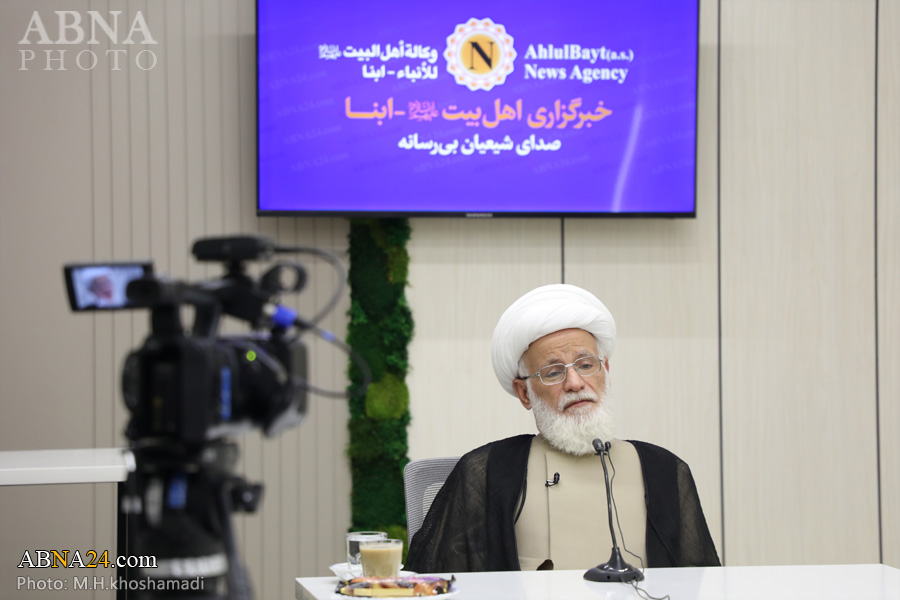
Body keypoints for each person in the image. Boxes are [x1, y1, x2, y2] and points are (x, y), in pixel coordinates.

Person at [405, 284, 720, 572]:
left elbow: (702, 585)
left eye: (586, 365)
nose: (575, 383)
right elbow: (434, 585)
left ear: (605, 370)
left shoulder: (665, 470)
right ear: (524, 393)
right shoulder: (486, 472)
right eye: (553, 372)